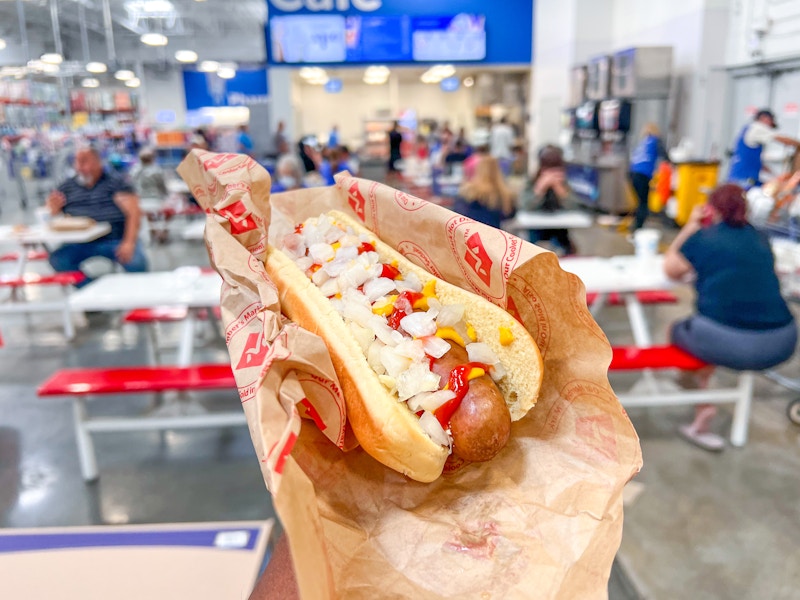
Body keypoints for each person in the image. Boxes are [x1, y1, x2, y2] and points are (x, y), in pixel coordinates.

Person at [664, 183, 797, 451]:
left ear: (710, 209)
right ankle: (703, 386)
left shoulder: (705, 238)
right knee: (709, 330)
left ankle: (700, 401)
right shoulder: (760, 238)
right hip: (784, 339)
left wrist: (690, 226)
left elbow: (671, 268)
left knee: (679, 330)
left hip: (732, 343)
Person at [46, 147, 148, 285]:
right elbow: (54, 214)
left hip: (115, 239)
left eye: (84, 161)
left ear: (98, 162)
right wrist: (53, 208)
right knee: (59, 259)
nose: (80, 167)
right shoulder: (67, 187)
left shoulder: (117, 183)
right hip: (80, 243)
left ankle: (133, 298)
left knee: (136, 262)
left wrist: (129, 243)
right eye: (77, 162)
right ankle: (90, 290)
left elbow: (134, 213)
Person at [520, 145, 578, 255]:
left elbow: (575, 207)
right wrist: (539, 189)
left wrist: (560, 191)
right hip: (535, 230)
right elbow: (525, 206)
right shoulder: (532, 181)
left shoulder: (565, 182)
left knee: (566, 248)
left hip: (560, 230)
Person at [728, 109, 800, 188]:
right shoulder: (757, 127)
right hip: (744, 181)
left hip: (738, 179)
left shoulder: (748, 131)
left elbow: (756, 163)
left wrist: (775, 176)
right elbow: (783, 140)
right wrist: (797, 144)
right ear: (764, 118)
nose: (769, 128)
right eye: (770, 124)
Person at [453, 156, 516, 229]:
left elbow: (459, 212)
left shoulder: (468, 191)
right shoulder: (504, 194)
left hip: (471, 233)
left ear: (478, 169)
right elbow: (509, 215)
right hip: (493, 234)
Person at [628, 123, 667, 232]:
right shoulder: (655, 141)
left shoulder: (643, 143)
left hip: (632, 173)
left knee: (639, 202)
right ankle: (637, 228)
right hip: (642, 175)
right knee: (643, 203)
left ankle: (636, 225)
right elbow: (664, 155)